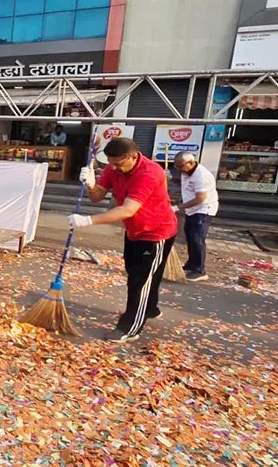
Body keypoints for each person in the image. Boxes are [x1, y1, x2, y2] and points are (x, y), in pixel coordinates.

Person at [70, 137, 177, 343]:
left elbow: (128, 209)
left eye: (118, 164)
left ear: (133, 157)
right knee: (140, 272)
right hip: (134, 230)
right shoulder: (114, 168)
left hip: (156, 232)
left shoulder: (149, 173)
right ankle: (150, 308)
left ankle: (131, 327)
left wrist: (88, 220)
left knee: (140, 280)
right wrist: (91, 184)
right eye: (110, 163)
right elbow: (97, 196)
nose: (114, 168)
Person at [173, 151, 219, 282]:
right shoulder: (186, 171)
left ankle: (200, 270)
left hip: (203, 209)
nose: (179, 169)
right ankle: (191, 264)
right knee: (190, 236)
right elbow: (186, 185)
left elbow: (200, 198)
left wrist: (178, 207)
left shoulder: (201, 176)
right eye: (176, 166)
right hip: (192, 209)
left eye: (180, 166)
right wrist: (170, 178)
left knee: (197, 238)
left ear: (191, 163)